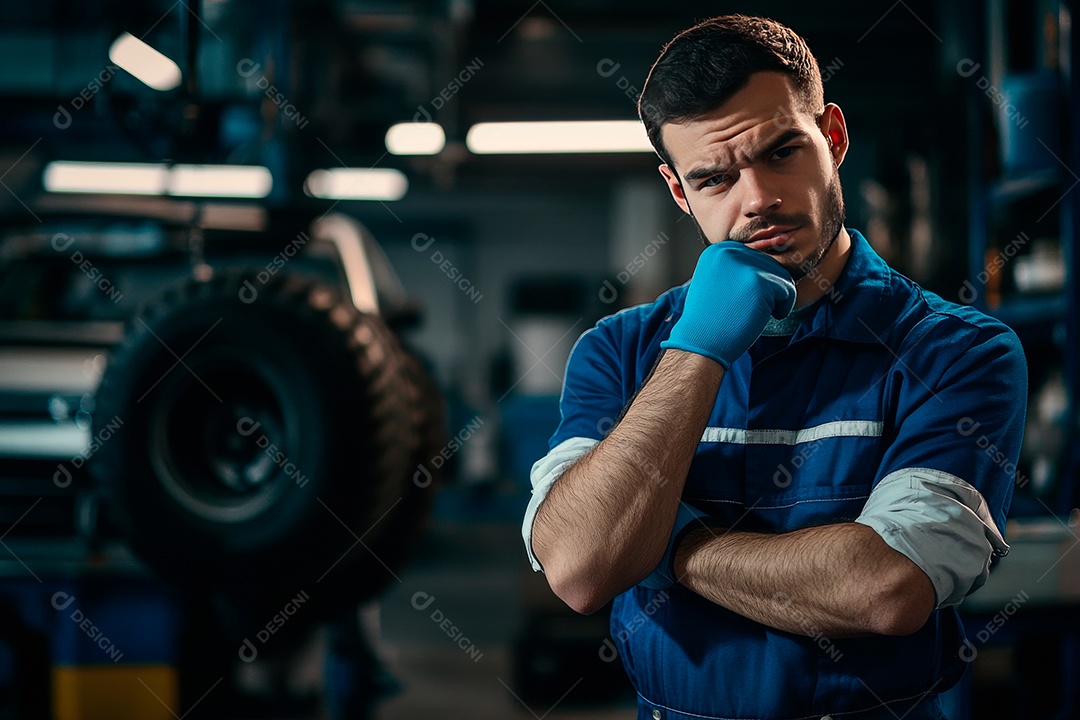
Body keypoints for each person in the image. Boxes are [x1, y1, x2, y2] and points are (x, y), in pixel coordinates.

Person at [521, 14, 1027, 720]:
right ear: (678, 192)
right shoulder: (620, 350)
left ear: (834, 138)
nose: (757, 199)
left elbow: (886, 589)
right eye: (715, 178)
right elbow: (579, 568)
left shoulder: (957, 351)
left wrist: (671, 545)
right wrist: (696, 351)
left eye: (783, 151)